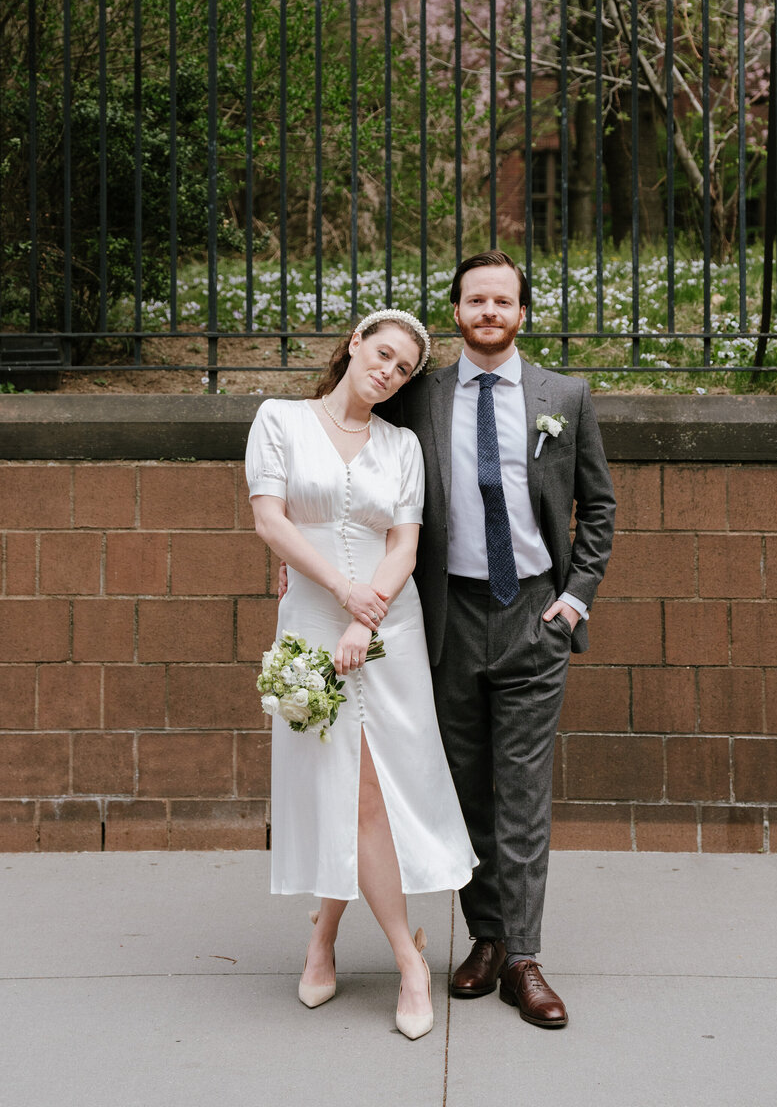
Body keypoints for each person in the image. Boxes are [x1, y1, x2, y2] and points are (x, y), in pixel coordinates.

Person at [390, 250, 616, 1029]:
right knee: (465, 790)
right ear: (455, 311)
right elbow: (354, 461)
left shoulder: (567, 398)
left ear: (523, 313)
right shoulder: (419, 396)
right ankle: (485, 934)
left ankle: (522, 958)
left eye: (503, 301)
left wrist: (574, 602)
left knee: (521, 794)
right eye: (475, 300)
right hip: (446, 618)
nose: (489, 312)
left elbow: (600, 510)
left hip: (532, 616)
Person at [245, 310, 477, 1042]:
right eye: (382, 355)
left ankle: (339, 943)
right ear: (354, 344)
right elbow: (272, 524)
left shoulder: (402, 444)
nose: (389, 372)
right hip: (315, 624)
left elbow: (404, 545)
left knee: (371, 787)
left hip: (387, 624)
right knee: (346, 788)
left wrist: (366, 615)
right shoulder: (279, 420)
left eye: (403, 368)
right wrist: (343, 600)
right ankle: (405, 958)